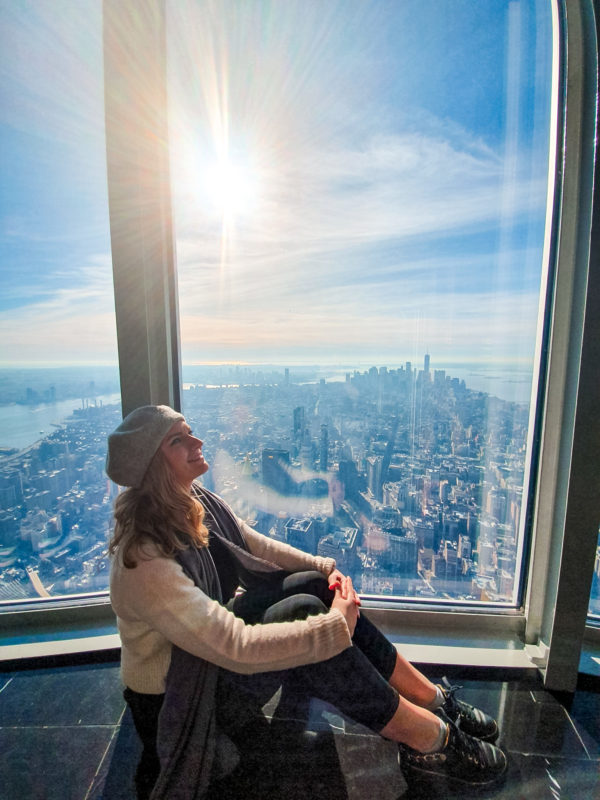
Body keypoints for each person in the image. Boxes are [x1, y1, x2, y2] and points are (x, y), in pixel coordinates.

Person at [106, 405, 507, 799]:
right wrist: (333, 628)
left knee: (316, 587)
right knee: (310, 618)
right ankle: (430, 739)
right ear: (153, 467)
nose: (198, 441)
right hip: (180, 700)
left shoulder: (191, 501)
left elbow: (251, 542)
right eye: (179, 440)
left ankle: (431, 699)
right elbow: (234, 647)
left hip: (200, 661)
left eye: (190, 431)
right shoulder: (144, 560)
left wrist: (323, 566)